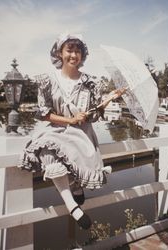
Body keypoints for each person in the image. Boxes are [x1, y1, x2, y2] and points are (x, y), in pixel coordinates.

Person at [18, 33, 125, 230]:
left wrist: (108, 99)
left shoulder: (90, 82)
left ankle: (76, 185)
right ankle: (72, 206)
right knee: (49, 150)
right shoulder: (47, 80)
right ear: (60, 53)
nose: (74, 55)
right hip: (56, 129)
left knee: (76, 154)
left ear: (83, 55)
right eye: (69, 50)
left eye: (78, 51)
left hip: (81, 132)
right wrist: (69, 119)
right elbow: (43, 113)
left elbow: (94, 115)